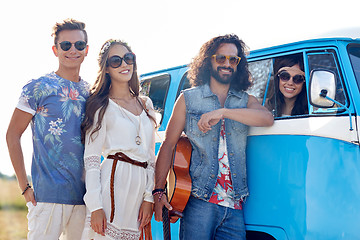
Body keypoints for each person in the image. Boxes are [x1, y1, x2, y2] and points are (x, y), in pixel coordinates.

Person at [153, 34, 274, 239]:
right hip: (199, 201)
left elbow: (267, 118)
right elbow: (168, 145)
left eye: (233, 60)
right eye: (221, 58)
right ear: (208, 60)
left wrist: (223, 112)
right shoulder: (188, 99)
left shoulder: (245, 100)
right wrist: (158, 192)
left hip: (235, 205)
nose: (227, 64)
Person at [6, 18, 89, 240]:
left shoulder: (90, 93)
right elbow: (12, 135)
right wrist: (25, 188)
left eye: (79, 45)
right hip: (46, 197)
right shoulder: (37, 87)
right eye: (66, 45)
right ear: (55, 49)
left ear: (86, 50)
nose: (73, 50)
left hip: (85, 199)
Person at [80, 39, 156, 240]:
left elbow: (150, 156)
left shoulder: (146, 104)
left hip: (138, 190)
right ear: (106, 69)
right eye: (116, 61)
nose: (124, 64)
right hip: (113, 184)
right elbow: (92, 160)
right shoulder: (101, 106)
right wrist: (95, 206)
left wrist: (148, 197)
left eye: (128, 58)